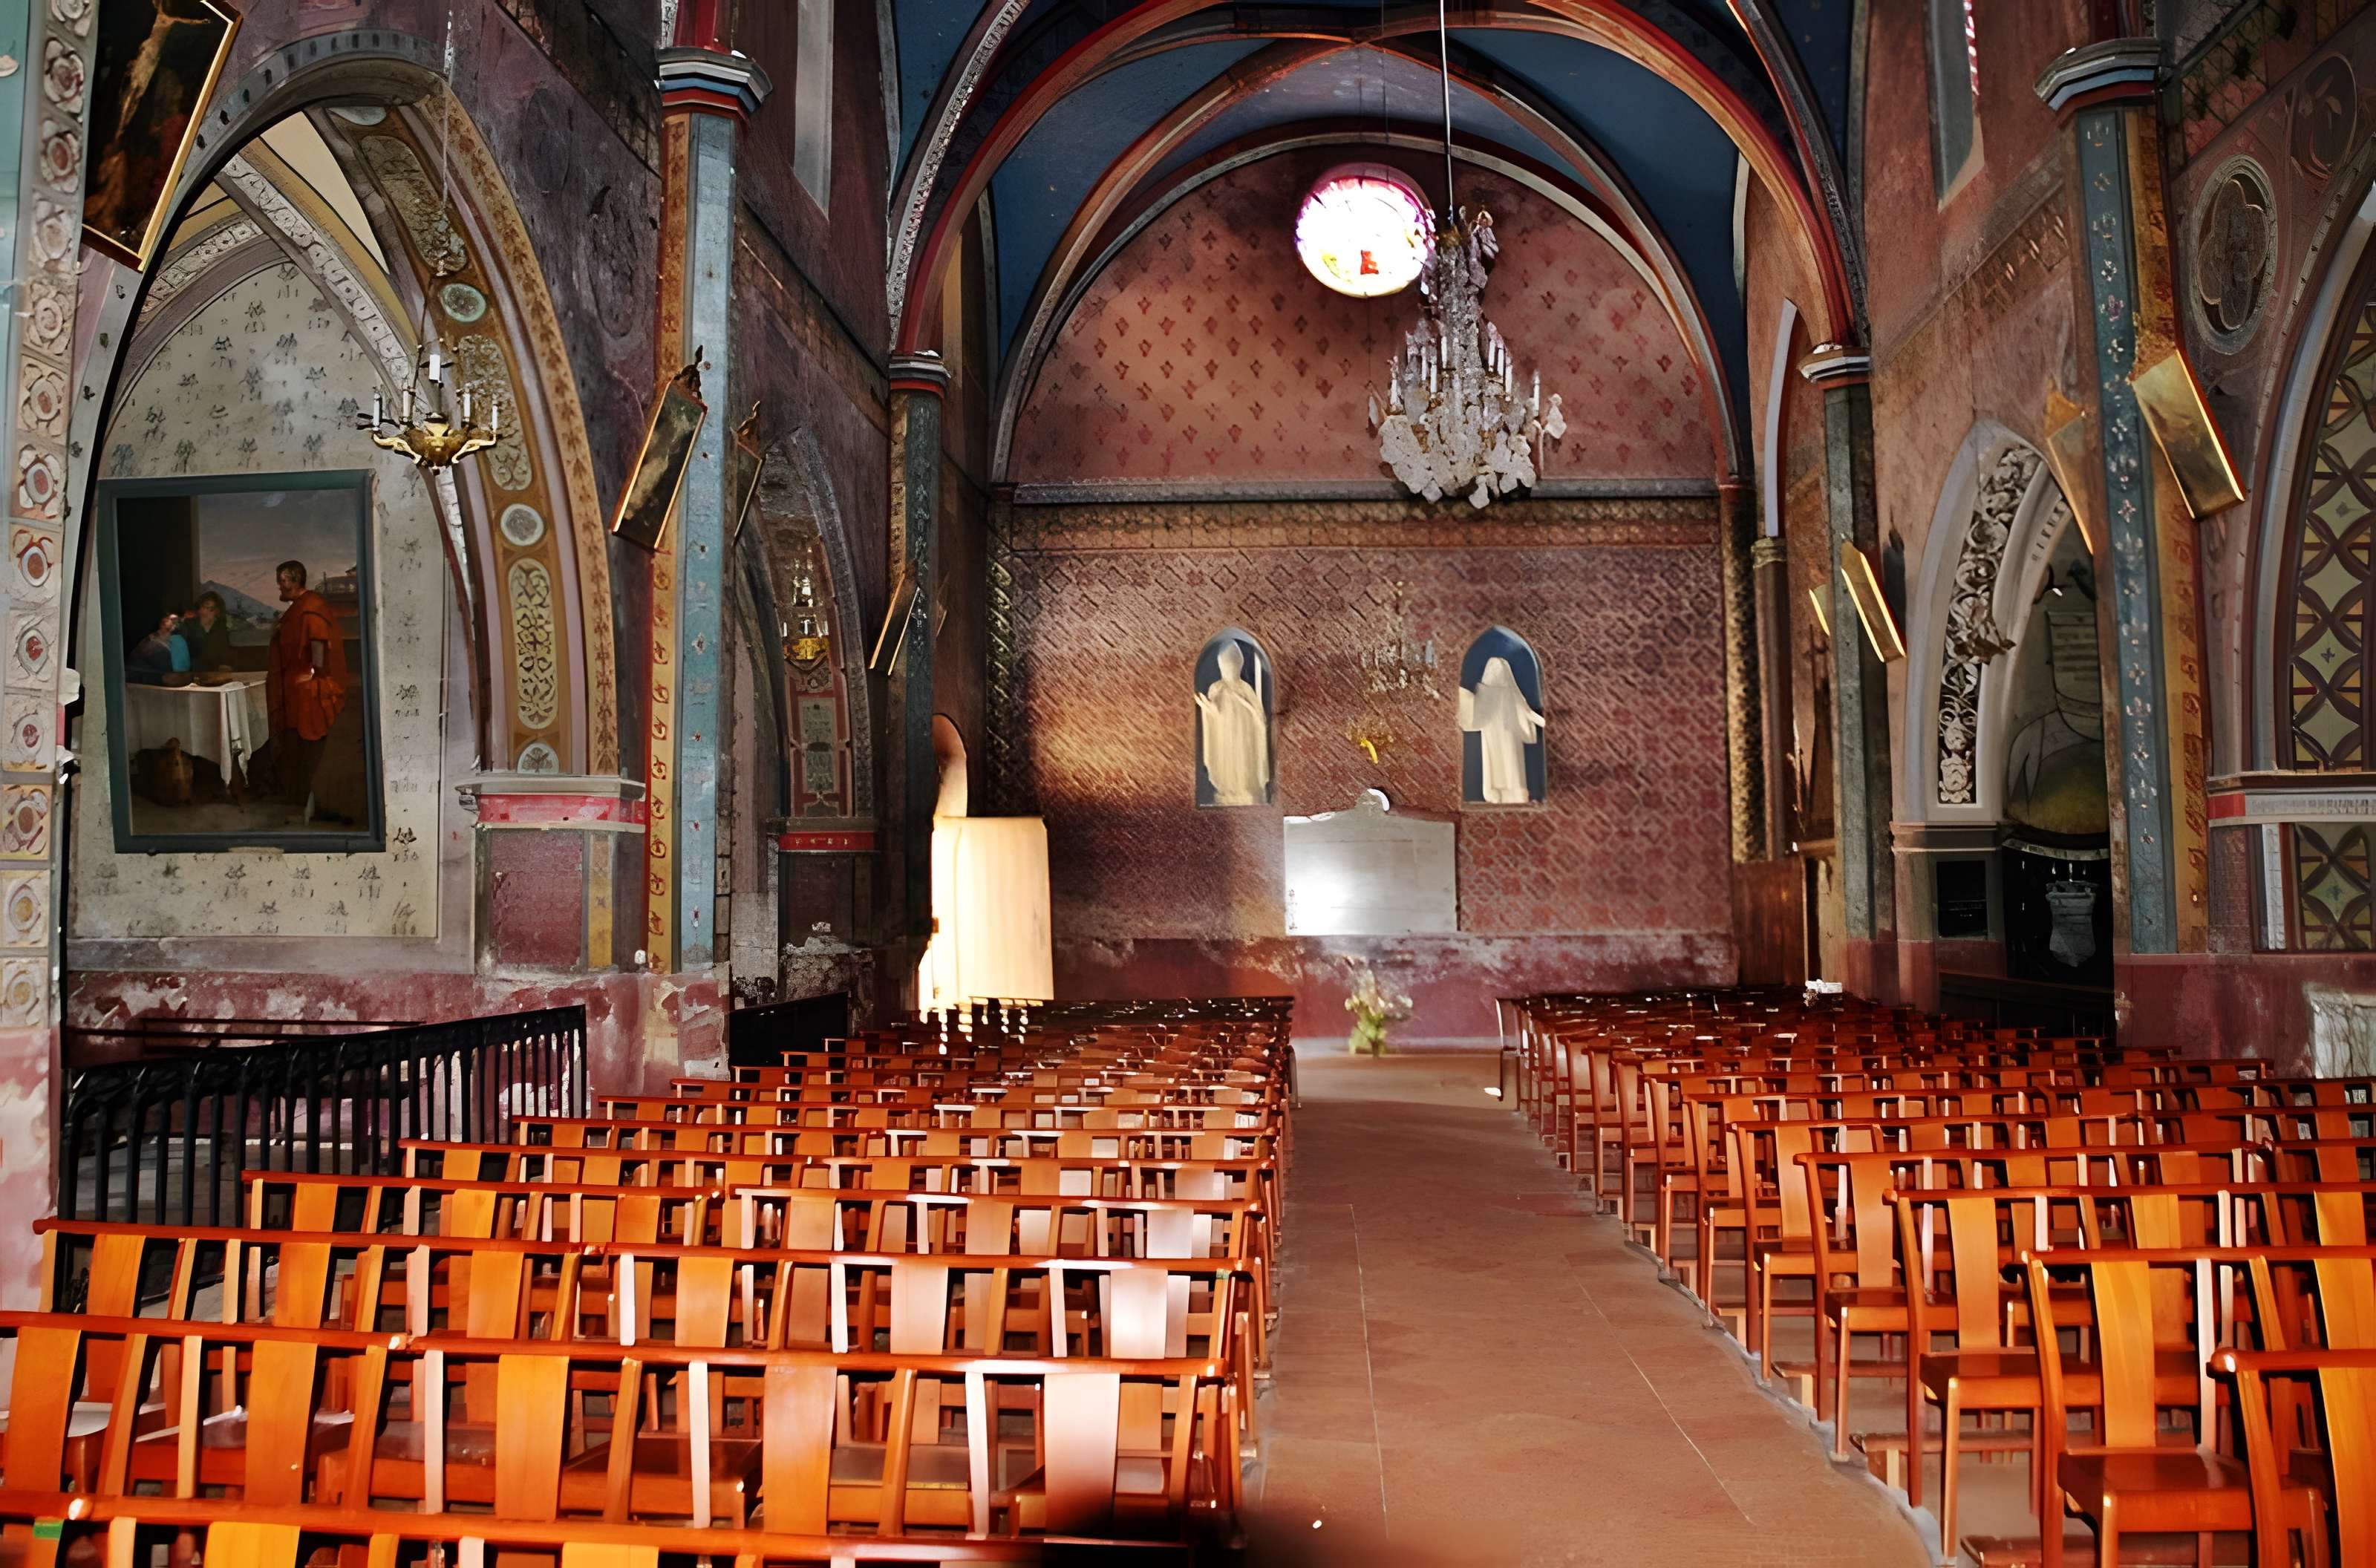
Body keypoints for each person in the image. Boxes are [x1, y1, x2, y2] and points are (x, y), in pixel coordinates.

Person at [266, 560, 349, 820]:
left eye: (283, 580)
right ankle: (297, 798)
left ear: (295, 580)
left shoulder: (311, 608)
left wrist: (313, 673)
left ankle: (307, 800)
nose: (279, 585)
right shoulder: (298, 608)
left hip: (309, 691)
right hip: (295, 689)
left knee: (309, 745)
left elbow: (319, 646)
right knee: (296, 744)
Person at [1460, 656, 1545, 805]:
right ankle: (1495, 794)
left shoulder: (1510, 692)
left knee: (1511, 763)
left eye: (1499, 669)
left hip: (1508, 735)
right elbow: (1475, 712)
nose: (1496, 671)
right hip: (1491, 734)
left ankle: (1515, 795)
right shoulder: (1485, 693)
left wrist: (1544, 722)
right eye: (1493, 668)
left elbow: (1526, 711)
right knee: (1495, 765)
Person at [1195, 640, 1270, 806]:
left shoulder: (1245, 688)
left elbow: (1257, 715)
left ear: (1238, 667)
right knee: (1227, 763)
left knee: (1243, 762)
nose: (1229, 671)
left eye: (1232, 668)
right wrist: (1208, 709)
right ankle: (1228, 790)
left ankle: (1246, 789)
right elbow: (1213, 718)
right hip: (1224, 734)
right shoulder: (1216, 688)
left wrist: (1253, 713)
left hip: (1243, 735)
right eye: (1226, 668)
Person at [127, 609, 189, 679]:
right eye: (172, 620)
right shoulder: (155, 645)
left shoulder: (173, 642)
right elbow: (173, 675)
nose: (178, 622)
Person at [181, 591, 234, 672]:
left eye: (210, 609)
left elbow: (225, 654)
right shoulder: (189, 626)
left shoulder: (220, 629)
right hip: (191, 674)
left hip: (215, 674)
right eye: (203, 607)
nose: (205, 611)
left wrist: (225, 666)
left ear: (217, 611)